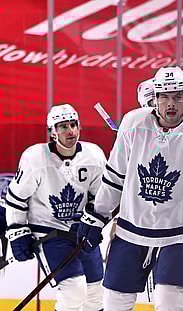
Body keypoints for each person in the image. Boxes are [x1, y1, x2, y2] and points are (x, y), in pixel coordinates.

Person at [77, 66, 183, 311]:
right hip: (133, 230)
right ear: (154, 99)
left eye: (177, 96)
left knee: (169, 300)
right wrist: (97, 215)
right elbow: (115, 176)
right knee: (114, 299)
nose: (171, 103)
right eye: (164, 96)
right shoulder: (134, 123)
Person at [5, 104, 106, 310]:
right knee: (73, 288)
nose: (70, 131)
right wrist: (17, 231)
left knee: (96, 290)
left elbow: (101, 197)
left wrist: (94, 221)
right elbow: (16, 198)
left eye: (73, 125)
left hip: (81, 231)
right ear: (52, 132)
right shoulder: (35, 158)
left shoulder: (93, 156)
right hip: (49, 233)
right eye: (63, 127)